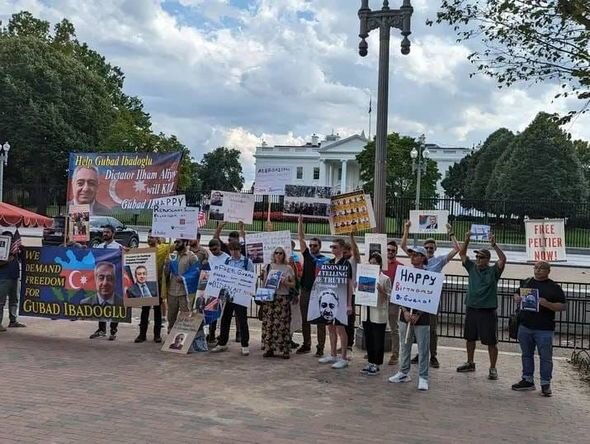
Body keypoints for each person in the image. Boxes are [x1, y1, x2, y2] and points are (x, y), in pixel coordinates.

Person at [401, 221, 459, 368]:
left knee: (431, 329)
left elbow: (456, 249)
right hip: (416, 299)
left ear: (435, 249)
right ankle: (420, 354)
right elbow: (403, 247)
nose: (429, 250)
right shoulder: (418, 258)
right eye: (426, 248)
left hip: (430, 301)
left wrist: (450, 233)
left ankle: (433, 356)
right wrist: (407, 229)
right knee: (415, 327)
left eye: (431, 248)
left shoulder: (438, 261)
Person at [511, 261, 566, 397]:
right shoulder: (527, 282)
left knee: (545, 357)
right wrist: (517, 298)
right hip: (525, 325)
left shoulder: (554, 287)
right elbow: (516, 294)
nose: (538, 270)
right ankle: (527, 380)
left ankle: (545, 383)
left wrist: (547, 304)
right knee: (526, 354)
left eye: (541, 268)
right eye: (536, 267)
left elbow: (562, 306)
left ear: (548, 271)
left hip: (544, 328)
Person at [456, 232, 506, 380]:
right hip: (472, 308)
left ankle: (492, 367)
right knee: (470, 338)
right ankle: (470, 362)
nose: (478, 259)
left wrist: (494, 245)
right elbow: (462, 254)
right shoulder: (472, 268)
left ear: (488, 260)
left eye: (481, 257)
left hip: (487, 310)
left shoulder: (493, 271)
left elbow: (503, 259)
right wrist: (466, 239)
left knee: (491, 341)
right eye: (477, 256)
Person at [388, 246, 431, 391]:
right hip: (405, 316)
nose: (413, 257)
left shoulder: (429, 275)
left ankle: (423, 377)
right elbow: (398, 293)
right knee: (404, 345)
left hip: (422, 318)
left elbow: (429, 298)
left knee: (423, 347)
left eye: (416, 255)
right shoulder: (405, 273)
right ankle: (403, 372)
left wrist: (418, 314)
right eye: (411, 254)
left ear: (423, 258)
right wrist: (405, 311)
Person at [210, 240, 255, 356]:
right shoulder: (227, 261)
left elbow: (250, 278)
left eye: (236, 250)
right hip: (229, 295)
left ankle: (245, 345)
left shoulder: (246, 262)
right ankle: (222, 343)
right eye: (231, 250)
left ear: (239, 250)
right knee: (225, 319)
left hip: (240, 296)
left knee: (242, 320)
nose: (234, 252)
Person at [296, 215, 329, 356]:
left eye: (315, 245)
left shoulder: (326, 261)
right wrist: (300, 223)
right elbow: (301, 239)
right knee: (305, 320)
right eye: (311, 245)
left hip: (320, 293)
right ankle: (306, 344)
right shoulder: (307, 256)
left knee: (321, 321)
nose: (312, 247)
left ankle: (320, 347)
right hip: (306, 290)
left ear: (320, 247)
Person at [318, 238, 353, 369]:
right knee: (330, 327)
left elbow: (350, 285)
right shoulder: (330, 262)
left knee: (340, 328)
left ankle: (343, 357)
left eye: (335, 247)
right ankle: (333, 354)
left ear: (342, 249)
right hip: (330, 299)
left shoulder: (346, 264)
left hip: (341, 300)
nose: (333, 249)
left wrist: (349, 304)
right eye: (331, 247)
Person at [87, 226, 124, 340]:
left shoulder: (118, 247)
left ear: (113, 233)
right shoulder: (99, 247)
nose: (105, 234)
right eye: (103, 232)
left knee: (114, 304)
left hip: (115, 280)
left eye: (107, 232)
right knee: (101, 303)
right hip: (101, 281)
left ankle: (113, 330)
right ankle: (101, 329)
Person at [261, 246, 295, 359]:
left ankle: (285, 349)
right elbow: (264, 282)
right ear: (274, 254)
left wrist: (285, 282)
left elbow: (293, 284)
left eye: (281, 253)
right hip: (271, 297)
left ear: (284, 255)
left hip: (283, 297)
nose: (278, 255)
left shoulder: (288, 268)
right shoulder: (268, 266)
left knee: (282, 324)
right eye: (276, 253)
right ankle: (269, 348)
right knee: (269, 323)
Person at [360, 253, 392, 376]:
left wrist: (381, 290)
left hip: (378, 312)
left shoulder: (385, 279)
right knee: (369, 338)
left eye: (375, 263)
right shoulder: (364, 276)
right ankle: (370, 361)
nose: (372, 265)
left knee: (378, 339)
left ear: (379, 265)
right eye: (371, 263)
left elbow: (389, 297)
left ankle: (377, 364)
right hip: (367, 311)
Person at [135, 232, 165, 343]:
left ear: (157, 238)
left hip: (158, 284)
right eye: (148, 237)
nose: (149, 239)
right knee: (145, 310)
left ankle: (157, 335)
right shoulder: (144, 251)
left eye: (151, 237)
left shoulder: (163, 249)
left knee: (157, 311)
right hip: (146, 285)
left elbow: (174, 247)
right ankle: (142, 334)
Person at [164, 239, 198, 330]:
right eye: (175, 242)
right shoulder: (172, 256)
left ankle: (183, 338)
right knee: (171, 317)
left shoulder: (191, 257)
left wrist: (184, 278)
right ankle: (170, 336)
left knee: (185, 317)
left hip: (184, 293)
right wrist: (166, 264)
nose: (176, 244)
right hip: (172, 292)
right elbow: (166, 274)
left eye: (178, 242)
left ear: (185, 242)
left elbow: (196, 273)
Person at [84, 261, 122, 340]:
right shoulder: (85, 302)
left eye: (109, 278)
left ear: (114, 280)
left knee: (116, 309)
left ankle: (113, 331)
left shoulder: (121, 301)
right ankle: (101, 330)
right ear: (95, 279)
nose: (105, 283)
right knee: (100, 305)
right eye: (101, 278)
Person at [206, 239, 231, 343]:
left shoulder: (227, 258)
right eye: (211, 250)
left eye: (215, 249)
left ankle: (221, 335)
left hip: (223, 289)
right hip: (212, 288)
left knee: (221, 314)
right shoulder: (210, 257)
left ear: (219, 246)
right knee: (211, 311)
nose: (213, 252)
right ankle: (211, 333)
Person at [0, 231, 25, 330]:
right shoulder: (2, 250)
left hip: (14, 276)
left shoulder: (15, 252)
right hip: (3, 277)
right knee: (1, 301)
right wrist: (6, 260)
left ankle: (13, 320)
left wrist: (21, 250)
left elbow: (23, 258)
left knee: (14, 299)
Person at [384, 240, 403, 365]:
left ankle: (395, 354)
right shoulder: (381, 265)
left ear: (396, 252)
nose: (390, 252)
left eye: (393, 250)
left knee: (394, 328)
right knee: (378, 326)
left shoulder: (400, 267)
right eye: (388, 250)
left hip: (393, 301)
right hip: (380, 301)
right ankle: (376, 350)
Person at [343, 231, 361, 351]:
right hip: (342, 292)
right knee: (342, 319)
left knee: (350, 319)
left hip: (352, 292)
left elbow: (357, 251)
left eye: (346, 252)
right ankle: (344, 343)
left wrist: (351, 237)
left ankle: (349, 343)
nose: (344, 254)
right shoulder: (341, 261)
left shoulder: (354, 260)